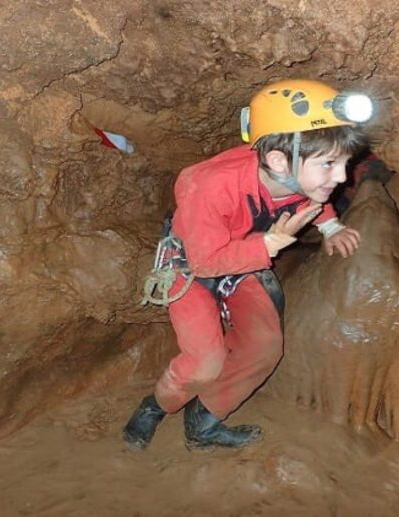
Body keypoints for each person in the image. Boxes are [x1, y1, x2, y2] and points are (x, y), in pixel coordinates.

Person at [123, 79, 373, 451]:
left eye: (345, 163)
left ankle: (204, 421)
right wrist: (270, 244)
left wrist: (330, 225)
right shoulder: (207, 186)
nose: (341, 177)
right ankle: (155, 408)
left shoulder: (298, 178)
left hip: (244, 259)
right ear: (277, 160)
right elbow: (205, 263)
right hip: (193, 265)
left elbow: (312, 199)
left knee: (265, 345)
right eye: (329, 164)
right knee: (204, 361)